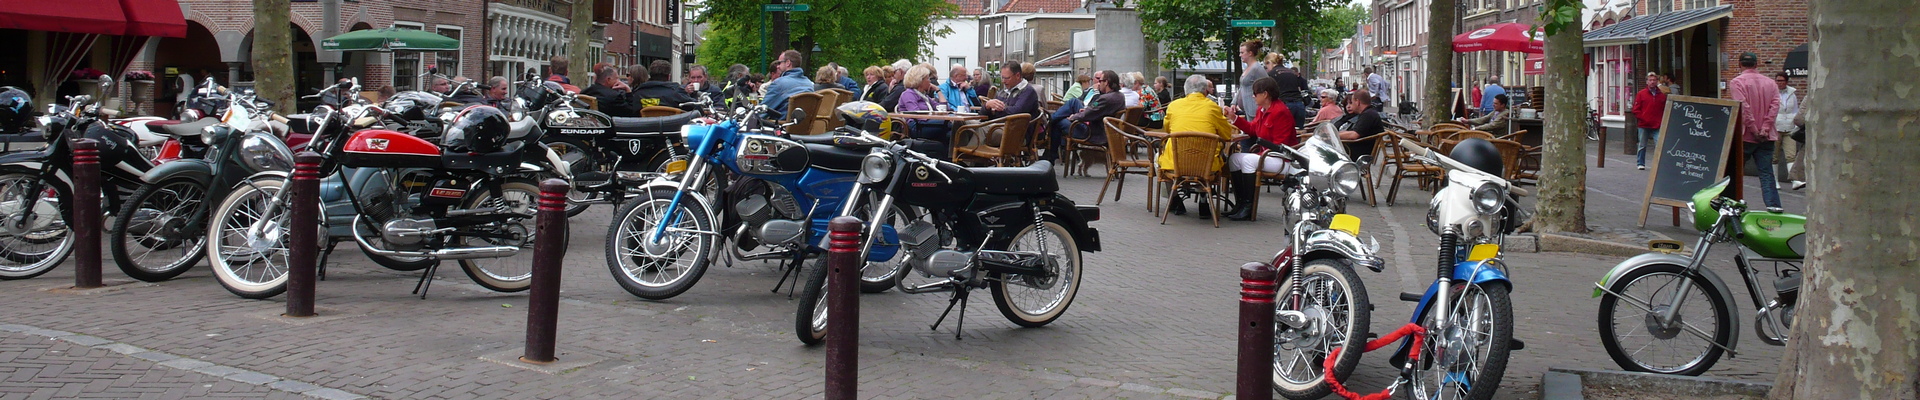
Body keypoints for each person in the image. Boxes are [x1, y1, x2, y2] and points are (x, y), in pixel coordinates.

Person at [1217, 77, 1299, 220]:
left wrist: (1264, 150)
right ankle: (1240, 204)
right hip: (1267, 155)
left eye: (1255, 93)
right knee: (1234, 159)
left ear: (1265, 94)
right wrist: (1234, 117)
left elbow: (1282, 145)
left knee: (1248, 160)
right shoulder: (1262, 110)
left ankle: (1248, 207)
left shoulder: (1280, 112)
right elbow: (1252, 129)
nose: (1253, 96)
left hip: (1282, 159)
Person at [1158, 75, 1236, 217]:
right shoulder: (1213, 108)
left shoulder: (1174, 106)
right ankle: (1203, 199)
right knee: (1209, 158)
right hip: (1206, 164)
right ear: (1205, 90)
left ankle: (1174, 199)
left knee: (1159, 158)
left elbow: (1168, 130)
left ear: (1185, 89)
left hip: (1176, 162)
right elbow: (1226, 135)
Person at [1727, 52, 1783, 212]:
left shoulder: (1737, 82)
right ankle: (1774, 206)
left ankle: (1732, 205)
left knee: (1735, 172)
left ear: (1740, 64)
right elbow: (1774, 107)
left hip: (1745, 135)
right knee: (1766, 173)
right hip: (1767, 136)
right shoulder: (1771, 83)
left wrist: (1754, 129)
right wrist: (1765, 128)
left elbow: (1744, 107)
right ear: (1756, 65)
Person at [1044, 70, 1125, 161]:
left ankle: (1050, 156)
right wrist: (1086, 110)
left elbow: (1087, 115)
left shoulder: (1105, 99)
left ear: (1106, 82)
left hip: (1092, 133)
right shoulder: (1119, 96)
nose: (1098, 83)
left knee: (1058, 122)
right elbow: (1095, 110)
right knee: (1074, 102)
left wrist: (1073, 117)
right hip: (1100, 127)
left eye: (1100, 81)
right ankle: (1050, 121)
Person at [761, 50, 814, 121]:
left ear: (788, 63)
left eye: (780, 63)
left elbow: (762, 111)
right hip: (805, 128)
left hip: (781, 127)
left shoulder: (779, 83)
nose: (778, 66)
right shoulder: (809, 84)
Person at [1629, 72, 1668, 169]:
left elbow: (1665, 108)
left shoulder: (1661, 95)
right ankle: (1640, 163)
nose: (1652, 82)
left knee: (1659, 144)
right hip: (1644, 124)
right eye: (1650, 80)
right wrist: (1642, 118)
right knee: (1642, 145)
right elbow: (1636, 109)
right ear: (1647, 82)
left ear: (1657, 81)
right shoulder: (1641, 94)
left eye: (1654, 80)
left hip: (1657, 124)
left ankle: (1658, 164)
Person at [1773, 71, 1803, 189]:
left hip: (1789, 127)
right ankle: (1775, 181)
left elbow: (1795, 109)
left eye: (1781, 81)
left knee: (1790, 155)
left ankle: (1794, 180)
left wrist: (1795, 124)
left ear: (1786, 82)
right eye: (1777, 80)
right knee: (1774, 156)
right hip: (1775, 127)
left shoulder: (1792, 94)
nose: (1779, 83)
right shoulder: (1772, 92)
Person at [1336, 89, 1385, 158]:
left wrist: (1333, 135)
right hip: (1357, 149)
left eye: (1352, 102)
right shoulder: (1369, 113)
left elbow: (1354, 135)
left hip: (1357, 153)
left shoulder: (1368, 115)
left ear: (1358, 102)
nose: (1351, 106)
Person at [1266, 54, 1312, 128]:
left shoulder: (1271, 74)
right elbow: (1299, 88)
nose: (1267, 68)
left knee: (1282, 131)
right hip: (1299, 104)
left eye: (1266, 66)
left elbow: (1269, 92)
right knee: (1298, 133)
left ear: (1269, 62)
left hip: (1284, 105)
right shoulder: (1292, 72)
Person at [1236, 40, 1268, 117]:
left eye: (1242, 53)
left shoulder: (1257, 68)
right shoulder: (1248, 68)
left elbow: (1267, 84)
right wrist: (1234, 103)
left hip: (1254, 110)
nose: (1240, 55)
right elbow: (1242, 87)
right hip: (1247, 109)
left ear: (1250, 53)